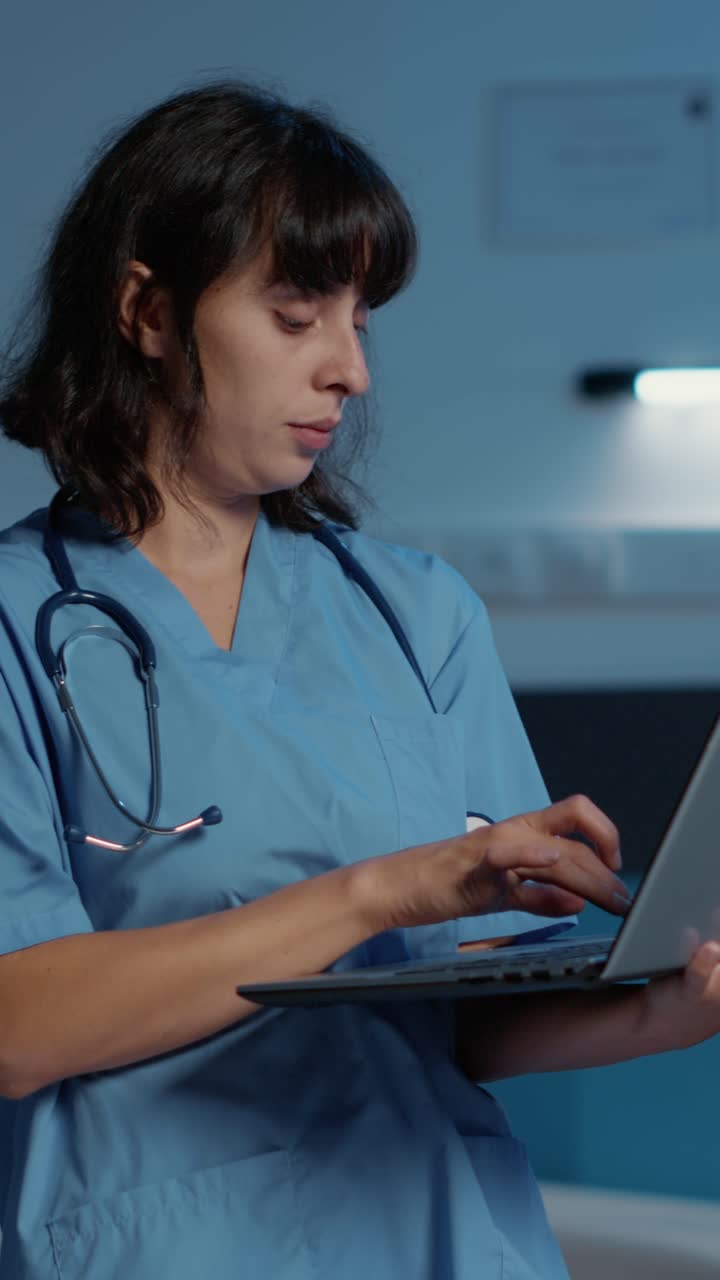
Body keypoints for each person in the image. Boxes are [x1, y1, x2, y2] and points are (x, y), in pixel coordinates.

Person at [0, 81, 718, 1280]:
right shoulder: (21, 624)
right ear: (148, 311)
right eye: (295, 318)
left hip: (450, 1239)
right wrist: (380, 891)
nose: (351, 371)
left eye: (360, 321)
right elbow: (18, 1025)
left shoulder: (414, 610)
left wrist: (663, 1008)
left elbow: (469, 1008)